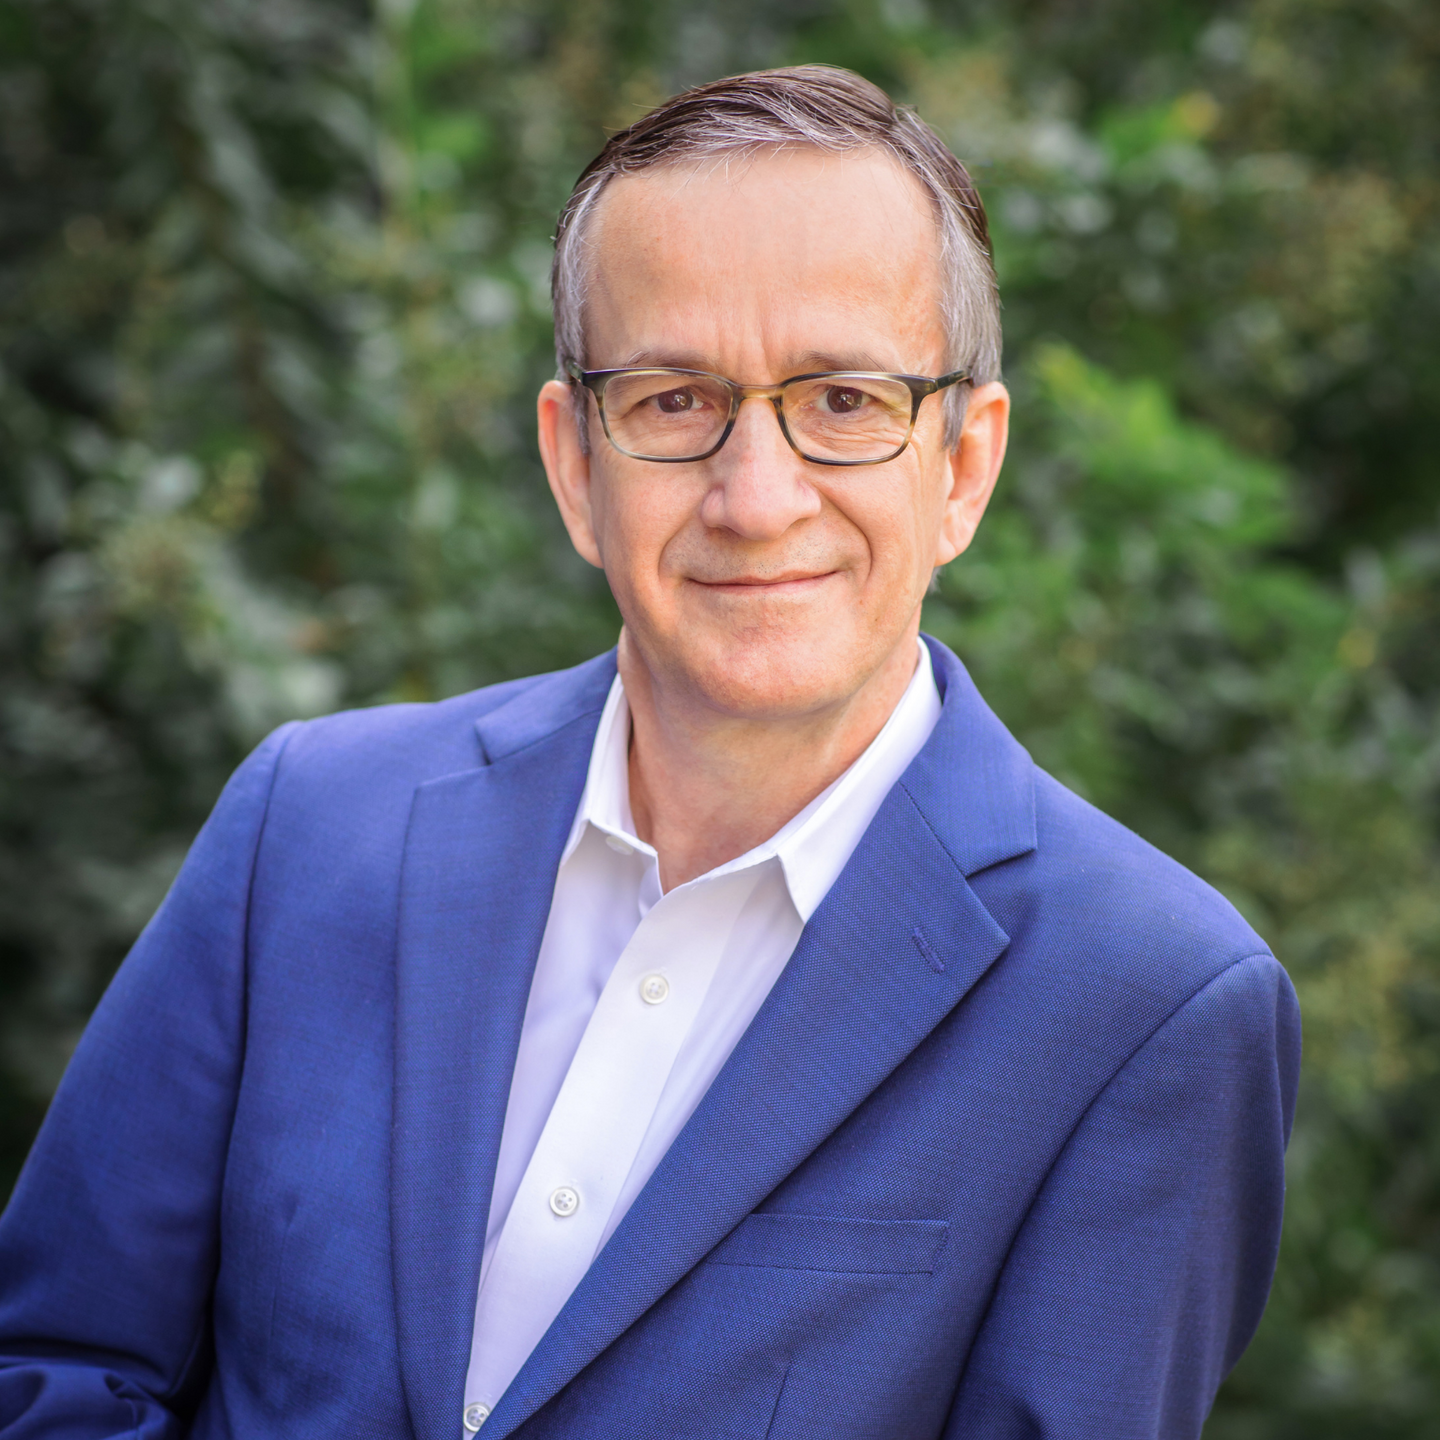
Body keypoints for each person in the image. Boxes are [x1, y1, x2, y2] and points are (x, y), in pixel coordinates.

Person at [0, 65, 1299, 1440]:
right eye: (676, 400)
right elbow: (52, 1369)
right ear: (575, 465)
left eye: (844, 399)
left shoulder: (1148, 1006)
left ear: (964, 467)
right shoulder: (308, 826)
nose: (757, 498)